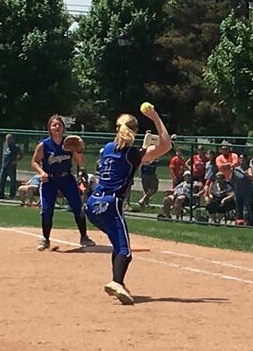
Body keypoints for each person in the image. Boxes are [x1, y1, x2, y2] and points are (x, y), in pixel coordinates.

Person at [85, 107, 171, 305]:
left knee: (117, 243)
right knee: (125, 250)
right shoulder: (133, 154)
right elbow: (165, 145)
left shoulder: (107, 148)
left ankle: (119, 282)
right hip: (111, 203)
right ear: (134, 130)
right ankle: (116, 281)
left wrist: (140, 151)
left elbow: (126, 161)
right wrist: (155, 117)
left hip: (92, 204)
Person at [31, 115, 95, 251]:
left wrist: (77, 151)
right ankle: (45, 239)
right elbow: (34, 161)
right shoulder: (44, 145)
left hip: (67, 179)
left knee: (78, 207)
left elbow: (79, 161)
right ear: (49, 128)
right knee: (47, 209)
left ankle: (84, 237)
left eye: (59, 125)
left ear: (63, 127)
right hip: (50, 180)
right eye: (54, 125)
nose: (57, 127)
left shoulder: (69, 143)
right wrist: (41, 173)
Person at [0, 134, 23, 199]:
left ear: (12, 140)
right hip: (4, 166)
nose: (8, 141)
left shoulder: (15, 147)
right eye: (7, 139)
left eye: (9, 139)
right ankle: (1, 194)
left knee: (12, 181)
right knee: (1, 180)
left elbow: (21, 154)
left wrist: (16, 161)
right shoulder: (5, 145)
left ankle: (12, 195)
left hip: (11, 167)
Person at [232, 154, 253, 225]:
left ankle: (251, 223)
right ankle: (240, 222)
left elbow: (251, 178)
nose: (241, 160)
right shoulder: (236, 169)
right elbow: (232, 179)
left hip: (247, 192)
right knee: (239, 208)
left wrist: (245, 174)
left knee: (249, 208)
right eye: (240, 158)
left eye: (242, 158)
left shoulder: (249, 168)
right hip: (238, 192)